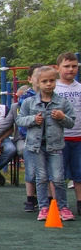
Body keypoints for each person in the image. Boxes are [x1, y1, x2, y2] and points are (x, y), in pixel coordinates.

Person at [0, 64, 45, 211]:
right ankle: (32, 197)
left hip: (49, 139)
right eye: (38, 75)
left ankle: (53, 200)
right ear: (30, 79)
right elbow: (7, 123)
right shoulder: (20, 104)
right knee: (23, 149)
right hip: (26, 138)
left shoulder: (55, 99)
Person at [16, 65, 76, 221]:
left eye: (51, 81)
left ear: (55, 81)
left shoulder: (62, 102)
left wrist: (62, 117)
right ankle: (43, 207)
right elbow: (19, 120)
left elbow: (71, 122)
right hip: (36, 147)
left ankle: (63, 207)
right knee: (41, 177)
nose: (48, 84)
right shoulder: (29, 102)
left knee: (58, 178)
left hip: (55, 146)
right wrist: (33, 120)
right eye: (44, 81)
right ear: (38, 83)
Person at [54, 52, 81, 216]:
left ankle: (79, 202)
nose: (70, 69)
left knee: (79, 173)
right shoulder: (54, 88)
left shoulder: (80, 88)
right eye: (66, 66)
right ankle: (57, 204)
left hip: (78, 137)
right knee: (58, 175)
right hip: (59, 138)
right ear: (58, 68)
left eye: (74, 66)